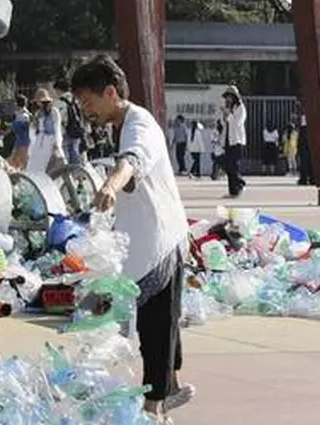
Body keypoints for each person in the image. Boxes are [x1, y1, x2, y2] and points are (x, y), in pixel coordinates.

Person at [70, 55, 193, 422]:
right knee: (153, 323)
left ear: (110, 92)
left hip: (159, 242)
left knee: (157, 323)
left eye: (89, 103)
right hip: (138, 240)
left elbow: (133, 161)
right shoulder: (120, 125)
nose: (86, 111)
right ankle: (167, 389)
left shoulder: (140, 124)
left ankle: (155, 406)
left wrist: (110, 184)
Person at [28, 88, 65, 174]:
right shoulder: (38, 114)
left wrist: (57, 143)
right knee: (37, 166)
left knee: (57, 164)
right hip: (41, 141)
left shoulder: (54, 112)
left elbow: (57, 128)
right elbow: (33, 130)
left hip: (51, 140)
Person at [220, 86, 247, 198]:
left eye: (230, 97)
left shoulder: (240, 108)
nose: (228, 99)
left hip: (237, 140)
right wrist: (225, 114)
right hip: (228, 140)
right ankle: (233, 191)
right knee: (228, 166)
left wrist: (228, 114)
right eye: (227, 97)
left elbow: (237, 123)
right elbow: (225, 123)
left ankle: (240, 184)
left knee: (234, 165)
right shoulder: (230, 108)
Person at [56, 79, 87, 165]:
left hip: (66, 132)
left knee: (65, 156)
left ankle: (69, 175)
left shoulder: (60, 102)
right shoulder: (76, 99)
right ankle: (78, 174)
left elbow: (60, 119)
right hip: (77, 130)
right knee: (76, 153)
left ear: (58, 89)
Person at [8, 94, 32, 170]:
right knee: (16, 161)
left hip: (22, 141)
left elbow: (16, 128)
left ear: (16, 103)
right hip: (24, 141)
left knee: (22, 162)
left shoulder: (21, 115)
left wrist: (11, 127)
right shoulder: (27, 114)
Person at [296, 98, 313, 186]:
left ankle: (304, 177)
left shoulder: (302, 112)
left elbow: (299, 123)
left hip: (304, 131)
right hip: (310, 131)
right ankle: (311, 177)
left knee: (304, 156)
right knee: (310, 156)